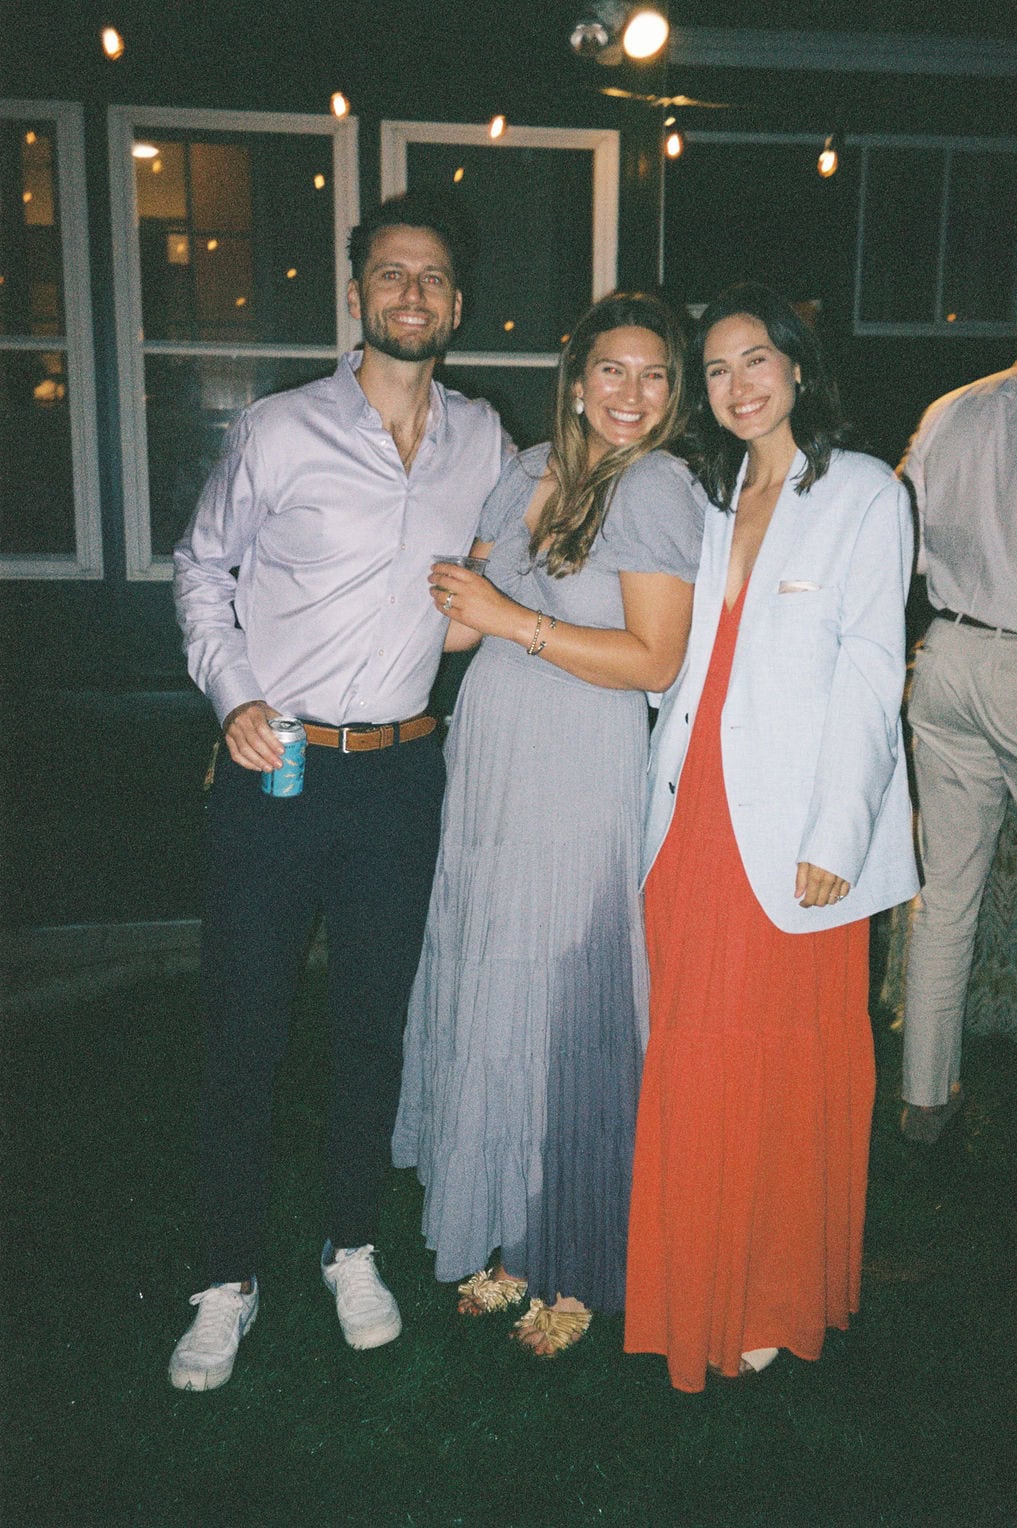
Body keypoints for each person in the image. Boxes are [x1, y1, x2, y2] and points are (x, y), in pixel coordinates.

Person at [167, 190, 510, 1391]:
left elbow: (509, 565)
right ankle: (225, 1277)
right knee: (245, 1029)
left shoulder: (483, 440)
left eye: (433, 277)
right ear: (357, 295)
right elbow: (202, 569)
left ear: (457, 305)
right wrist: (234, 699)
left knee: (374, 1023)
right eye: (392, 274)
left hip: (402, 775)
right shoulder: (279, 430)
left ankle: (348, 1243)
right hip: (279, 765)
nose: (412, 294)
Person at [392, 292, 705, 1354]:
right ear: (576, 380)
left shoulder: (655, 487)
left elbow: (654, 660)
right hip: (492, 754)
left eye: (655, 375)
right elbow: (460, 618)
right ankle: (514, 1239)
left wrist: (508, 619)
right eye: (613, 370)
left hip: (579, 759)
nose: (632, 394)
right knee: (498, 979)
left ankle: (576, 1255)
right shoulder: (526, 468)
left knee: (567, 999)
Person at [625, 283, 919, 1392]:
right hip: (688, 816)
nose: (738, 384)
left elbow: (870, 673)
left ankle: (766, 1293)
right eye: (715, 369)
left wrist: (837, 833)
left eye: (756, 359)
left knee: (778, 1066)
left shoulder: (862, 491)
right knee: (695, 1056)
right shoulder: (706, 494)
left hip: (793, 833)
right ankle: (695, 1283)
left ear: (798, 366)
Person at [898, 350, 1017, 1144]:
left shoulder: (952, 407)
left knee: (945, 897)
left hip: (946, 652)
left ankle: (925, 1096)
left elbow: (901, 539)